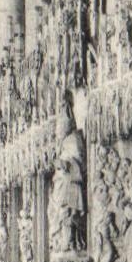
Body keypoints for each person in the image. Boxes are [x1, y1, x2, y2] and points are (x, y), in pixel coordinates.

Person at [47, 101, 86, 254]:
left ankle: (68, 242)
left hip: (70, 184)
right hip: (62, 182)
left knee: (67, 213)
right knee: (59, 211)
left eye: (61, 125)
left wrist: (64, 164)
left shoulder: (74, 139)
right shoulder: (64, 142)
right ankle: (62, 242)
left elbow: (78, 162)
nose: (59, 129)